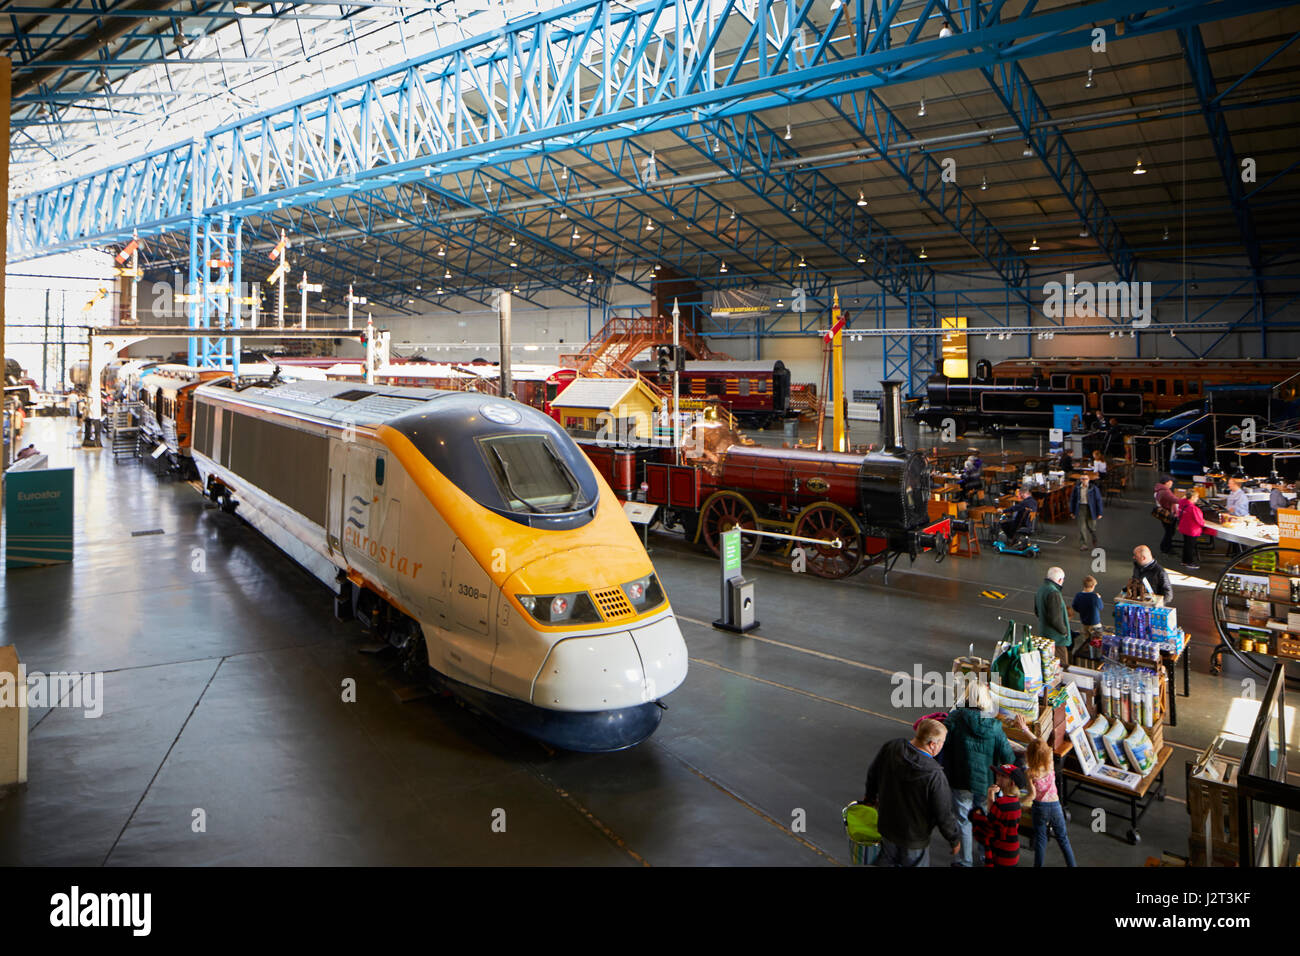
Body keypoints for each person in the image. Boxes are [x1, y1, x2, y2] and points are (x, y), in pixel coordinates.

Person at [942, 683, 1027, 867]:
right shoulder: (995, 726)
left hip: (960, 779)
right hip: (988, 782)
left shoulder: (955, 718)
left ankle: (965, 861)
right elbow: (1008, 757)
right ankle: (984, 856)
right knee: (986, 819)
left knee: (963, 819)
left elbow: (943, 746)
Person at [863, 718, 961, 867]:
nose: (942, 746)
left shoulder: (892, 747)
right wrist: (953, 838)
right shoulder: (934, 774)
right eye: (942, 743)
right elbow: (943, 812)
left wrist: (870, 799)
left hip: (887, 826)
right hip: (914, 837)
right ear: (932, 745)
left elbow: (873, 774)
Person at [1027, 739, 1076, 867]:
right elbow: (1045, 749)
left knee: (1041, 840)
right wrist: (1027, 731)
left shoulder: (1031, 773)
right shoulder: (1050, 765)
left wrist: (1019, 801)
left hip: (1039, 807)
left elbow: (1032, 795)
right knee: (1063, 839)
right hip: (1055, 806)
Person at [968, 764, 1027, 867]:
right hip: (1011, 851)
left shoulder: (1002, 803)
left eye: (1003, 776)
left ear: (1012, 783)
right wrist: (990, 795)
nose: (998, 777)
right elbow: (994, 818)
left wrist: (976, 815)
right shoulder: (1014, 801)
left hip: (1001, 853)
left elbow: (989, 824)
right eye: (998, 774)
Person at [1035, 567, 1072, 666]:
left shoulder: (1041, 589)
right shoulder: (1054, 593)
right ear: (1060, 580)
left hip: (1044, 635)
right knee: (1061, 667)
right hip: (1057, 640)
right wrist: (1064, 631)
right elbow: (1055, 619)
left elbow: (1037, 611)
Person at [1069, 473, 1103, 550]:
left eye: (1086, 479)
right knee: (1082, 527)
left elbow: (1098, 500)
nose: (1084, 480)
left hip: (1091, 508)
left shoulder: (1093, 488)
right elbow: (1072, 500)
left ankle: (1094, 537)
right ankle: (1084, 544)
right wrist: (1072, 512)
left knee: (1092, 526)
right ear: (1080, 480)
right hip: (1080, 508)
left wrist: (1100, 512)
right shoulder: (1077, 488)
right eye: (1082, 479)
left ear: (1089, 480)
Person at [1177, 488, 1206, 571]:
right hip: (1192, 530)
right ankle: (1190, 562)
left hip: (1184, 528)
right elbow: (1200, 521)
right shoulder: (1193, 508)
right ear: (1192, 497)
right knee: (1190, 546)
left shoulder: (1182, 503)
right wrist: (1203, 524)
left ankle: (1184, 561)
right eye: (1197, 497)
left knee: (1186, 545)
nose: (1197, 499)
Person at [1072, 574, 1104, 644]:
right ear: (1092, 586)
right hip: (1095, 623)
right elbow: (1101, 607)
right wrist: (1099, 598)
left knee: (1086, 641)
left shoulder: (1078, 595)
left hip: (1084, 622)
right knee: (1097, 641)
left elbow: (1074, 606)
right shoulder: (1094, 597)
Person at [1154, 476, 1180, 555]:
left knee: (1169, 531)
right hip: (1168, 513)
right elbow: (1176, 500)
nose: (1172, 483)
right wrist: (1187, 499)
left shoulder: (1160, 489)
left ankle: (1165, 546)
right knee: (1169, 532)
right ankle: (1166, 548)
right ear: (1166, 482)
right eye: (1171, 481)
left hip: (1164, 512)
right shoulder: (1165, 491)